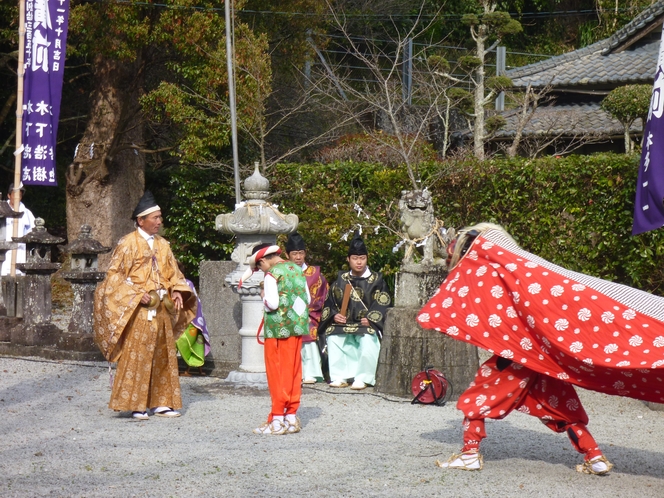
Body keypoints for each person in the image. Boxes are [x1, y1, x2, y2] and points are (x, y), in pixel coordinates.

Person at [416, 222, 664, 474]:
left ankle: (469, 453)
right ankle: (595, 457)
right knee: (559, 405)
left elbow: (464, 257)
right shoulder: (520, 270)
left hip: (519, 352)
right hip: (540, 354)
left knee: (478, 396)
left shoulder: (503, 265)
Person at [93, 191, 196, 420]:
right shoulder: (127, 243)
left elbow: (174, 273)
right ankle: (136, 403)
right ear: (141, 220)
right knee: (138, 355)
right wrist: (136, 293)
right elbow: (114, 276)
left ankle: (161, 401)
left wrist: (178, 289)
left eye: (160, 217)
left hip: (161, 307)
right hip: (139, 309)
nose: (159, 222)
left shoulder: (163, 245)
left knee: (164, 354)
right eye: (155, 218)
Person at [239, 243, 310, 435]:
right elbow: (308, 300)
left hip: (278, 331)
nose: (260, 270)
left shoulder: (272, 274)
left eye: (258, 267)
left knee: (277, 374)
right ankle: (291, 417)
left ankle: (277, 419)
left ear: (262, 260)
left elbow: (272, 303)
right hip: (296, 329)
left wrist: (263, 295)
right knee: (294, 373)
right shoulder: (296, 269)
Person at [318, 232, 391, 390]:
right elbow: (329, 302)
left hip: (366, 324)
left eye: (362, 258)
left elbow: (383, 302)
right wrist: (334, 315)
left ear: (367, 258)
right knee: (334, 338)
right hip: (343, 324)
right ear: (348, 259)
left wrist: (372, 318)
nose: (359, 262)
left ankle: (363, 377)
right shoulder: (341, 279)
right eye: (355, 258)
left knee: (367, 339)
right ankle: (339, 376)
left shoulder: (377, 280)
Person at [285, 232, 329, 384]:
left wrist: (306, 312)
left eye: (301, 253)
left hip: (311, 315)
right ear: (287, 254)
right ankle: (292, 372)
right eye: (294, 254)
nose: (298, 257)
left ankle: (311, 372)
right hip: (287, 315)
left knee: (306, 327)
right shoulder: (283, 273)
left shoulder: (315, 275)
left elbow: (323, 298)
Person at [175, 262, 211, 376]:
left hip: (189, 319)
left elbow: (194, 303)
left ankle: (189, 369)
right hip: (175, 319)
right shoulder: (169, 285)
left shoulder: (187, 283)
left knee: (186, 341)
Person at [2, 182, 36, 276]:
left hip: (20, 251)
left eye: (20, 195)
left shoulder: (26, 213)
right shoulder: (2, 210)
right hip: (3, 251)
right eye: (15, 195)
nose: (17, 197)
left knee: (19, 277)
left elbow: (33, 231)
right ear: (9, 195)